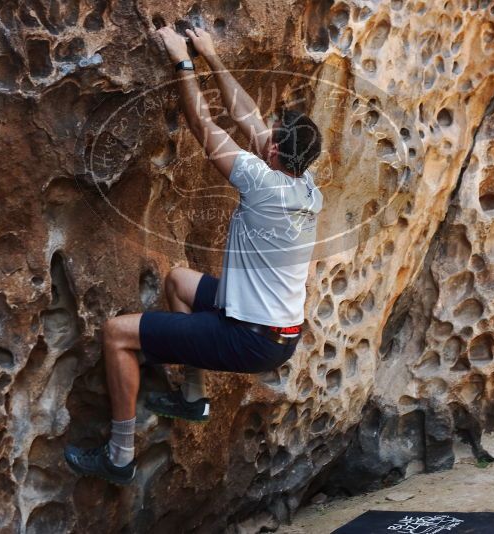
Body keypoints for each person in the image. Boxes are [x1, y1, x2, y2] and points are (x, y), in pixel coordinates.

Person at [64, 26, 324, 485]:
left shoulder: (264, 185)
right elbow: (252, 120)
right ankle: (191, 395)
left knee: (116, 334)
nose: (267, 134)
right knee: (178, 281)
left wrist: (183, 62)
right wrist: (212, 56)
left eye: (274, 137)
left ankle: (119, 456)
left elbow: (205, 127)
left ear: (277, 152)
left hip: (250, 337)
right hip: (279, 332)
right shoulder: (306, 188)